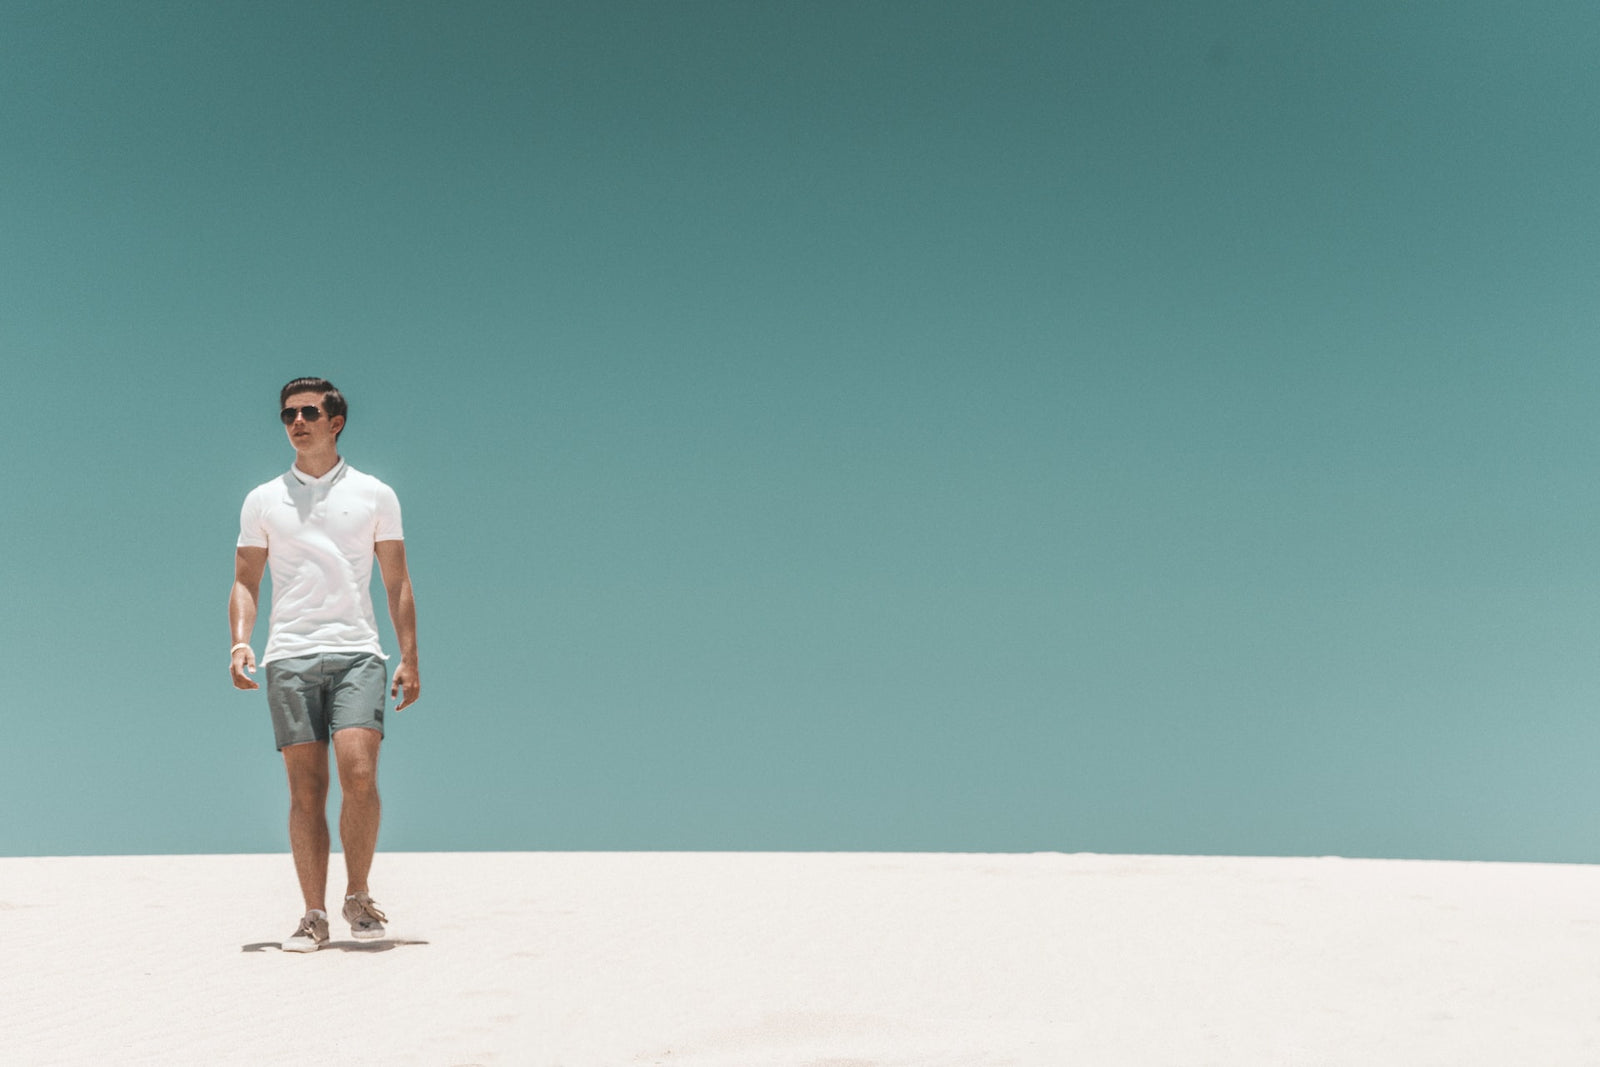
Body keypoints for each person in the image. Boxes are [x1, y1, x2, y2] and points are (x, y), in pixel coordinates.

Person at [228, 377, 421, 952]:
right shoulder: (263, 499)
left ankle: (357, 894)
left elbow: (397, 579)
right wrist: (240, 642)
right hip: (288, 655)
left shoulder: (375, 494)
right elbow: (245, 579)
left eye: (309, 412)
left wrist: (409, 656)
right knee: (306, 790)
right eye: (288, 414)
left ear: (335, 422)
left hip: (358, 652)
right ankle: (313, 913)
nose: (297, 422)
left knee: (359, 774)